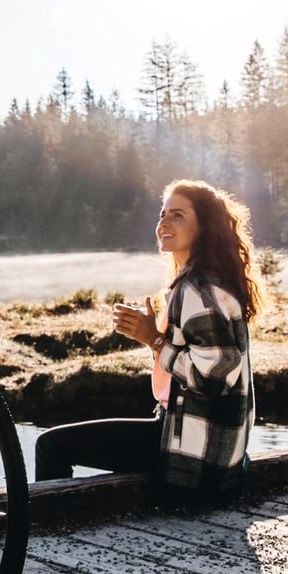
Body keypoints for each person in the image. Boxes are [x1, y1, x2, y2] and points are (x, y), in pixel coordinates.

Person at [34, 180, 259, 497]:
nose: (164, 223)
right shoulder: (198, 283)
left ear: (204, 226)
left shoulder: (200, 290)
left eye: (177, 215)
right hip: (199, 444)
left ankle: (49, 540)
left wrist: (153, 339)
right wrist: (151, 333)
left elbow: (215, 378)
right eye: (162, 214)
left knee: (51, 446)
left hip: (196, 459)